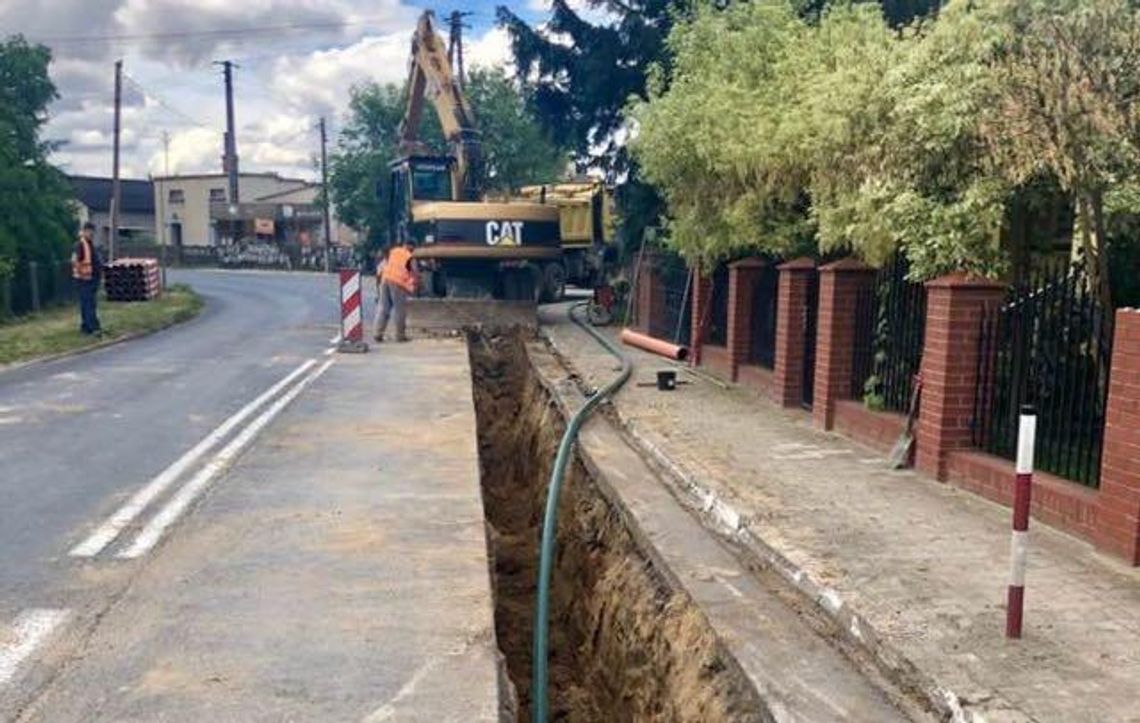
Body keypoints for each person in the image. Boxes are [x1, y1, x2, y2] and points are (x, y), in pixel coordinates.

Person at [373, 239, 417, 342]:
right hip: (398, 283)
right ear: (412, 247)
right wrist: (414, 285)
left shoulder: (394, 251)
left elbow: (387, 263)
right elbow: (414, 272)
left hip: (386, 279)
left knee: (383, 307)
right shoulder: (409, 257)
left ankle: (377, 333)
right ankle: (400, 335)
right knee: (399, 309)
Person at [72, 221, 103, 335]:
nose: (91, 233)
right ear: (84, 231)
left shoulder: (89, 244)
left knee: (88, 304)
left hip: (91, 279)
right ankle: (92, 328)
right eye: (89, 231)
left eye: (92, 231)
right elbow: (75, 261)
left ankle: (86, 327)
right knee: (88, 304)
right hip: (84, 280)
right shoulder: (80, 245)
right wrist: (82, 275)